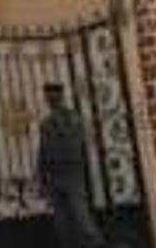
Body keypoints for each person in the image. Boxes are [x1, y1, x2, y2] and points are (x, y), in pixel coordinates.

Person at [36, 83, 106, 248]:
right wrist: (42, 176)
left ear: (60, 97)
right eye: (48, 96)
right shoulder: (45, 124)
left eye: (54, 95)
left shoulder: (72, 118)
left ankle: (96, 243)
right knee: (60, 220)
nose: (51, 99)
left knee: (80, 214)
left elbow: (76, 145)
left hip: (71, 172)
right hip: (54, 175)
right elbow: (43, 151)